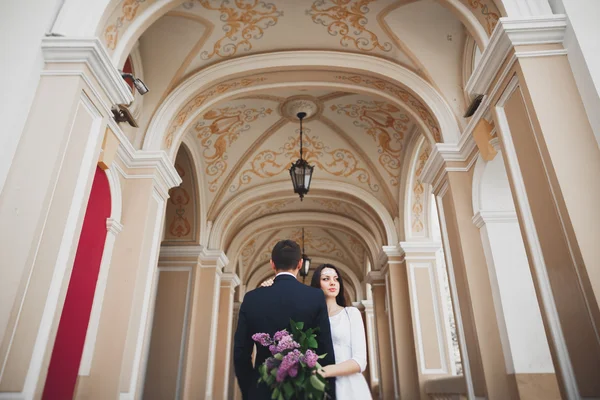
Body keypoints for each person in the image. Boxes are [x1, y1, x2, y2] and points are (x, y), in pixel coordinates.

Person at [233, 240, 336, 399]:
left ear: (272, 264)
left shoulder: (252, 298)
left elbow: (241, 352)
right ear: (300, 264)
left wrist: (251, 390)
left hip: (262, 390)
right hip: (304, 391)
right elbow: (325, 349)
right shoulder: (315, 297)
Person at [310, 264, 372, 400]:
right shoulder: (311, 319)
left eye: (336, 279)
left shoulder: (350, 314)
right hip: (320, 388)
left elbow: (360, 361)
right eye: (326, 279)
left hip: (350, 387)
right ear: (317, 284)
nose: (333, 282)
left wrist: (323, 372)